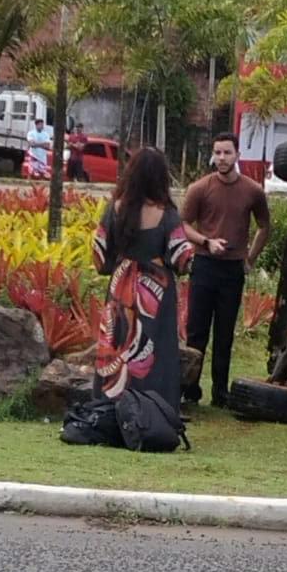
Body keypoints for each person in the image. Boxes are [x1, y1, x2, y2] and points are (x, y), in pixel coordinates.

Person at [92, 146, 195, 409]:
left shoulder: (115, 209)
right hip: (156, 291)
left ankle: (109, 407)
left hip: (121, 284)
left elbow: (100, 258)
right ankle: (154, 410)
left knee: (117, 341)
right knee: (156, 348)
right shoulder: (167, 214)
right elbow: (182, 258)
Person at [181, 133, 271, 408]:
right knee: (197, 332)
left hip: (233, 269)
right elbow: (183, 225)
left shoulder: (253, 190)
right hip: (205, 266)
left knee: (224, 332)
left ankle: (220, 392)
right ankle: (190, 390)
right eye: (217, 153)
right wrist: (206, 241)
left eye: (227, 153)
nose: (221, 158)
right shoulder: (200, 188)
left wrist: (250, 258)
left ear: (237, 155)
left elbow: (265, 226)